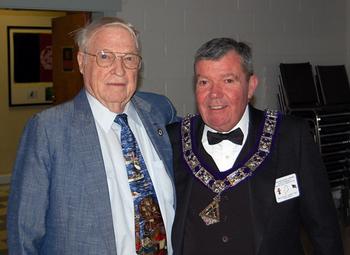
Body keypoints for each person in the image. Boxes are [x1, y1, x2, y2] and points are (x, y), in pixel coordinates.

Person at [7, 17, 178, 254]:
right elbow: (24, 235)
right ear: (81, 61)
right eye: (105, 57)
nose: (119, 70)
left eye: (129, 58)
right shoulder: (48, 131)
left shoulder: (159, 112)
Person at [167, 38, 343, 255]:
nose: (214, 94)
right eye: (204, 82)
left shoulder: (289, 136)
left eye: (228, 81)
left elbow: (324, 228)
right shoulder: (173, 139)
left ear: (251, 86)